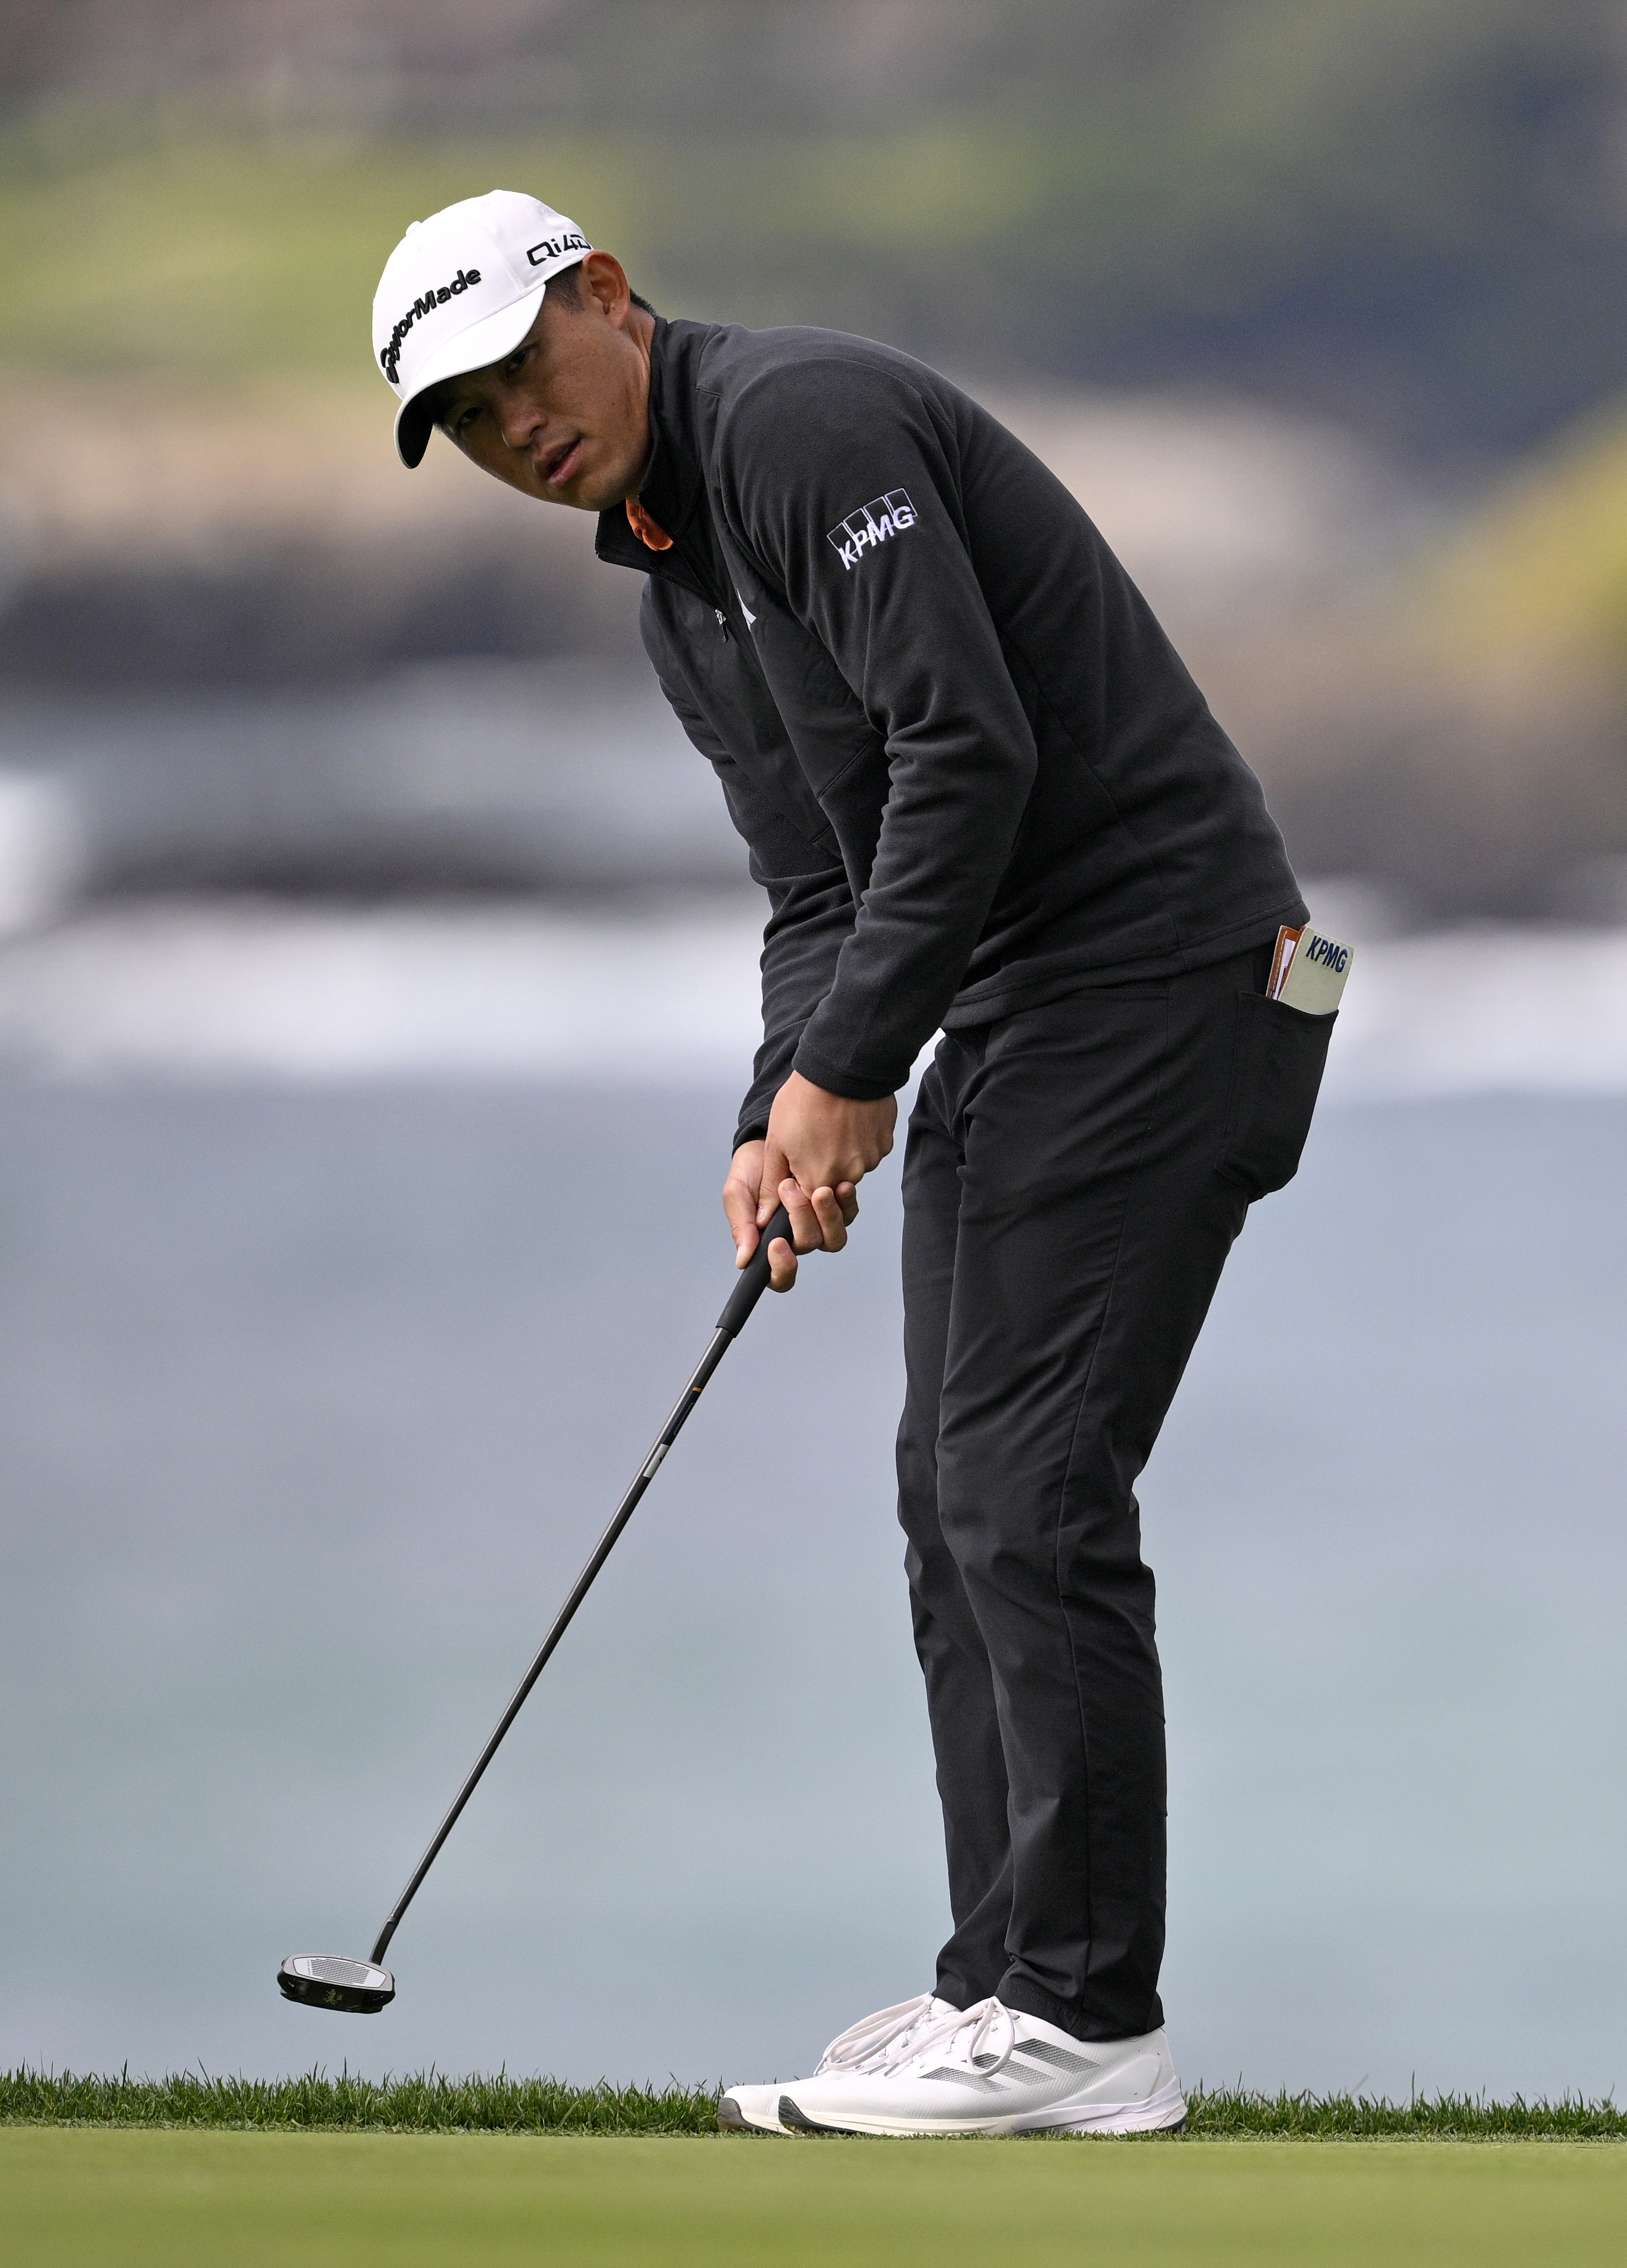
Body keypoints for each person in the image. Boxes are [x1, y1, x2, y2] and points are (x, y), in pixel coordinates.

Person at [370, 191, 1345, 2136]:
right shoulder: (679, 583)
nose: (512, 429)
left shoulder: (798, 429)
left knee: (1029, 1485)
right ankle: (1004, 1984)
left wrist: (851, 1062)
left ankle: (1084, 2023)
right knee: (948, 1493)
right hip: (1019, 1007)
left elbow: (961, 748)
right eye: (465, 422)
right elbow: (817, 876)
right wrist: (777, 1103)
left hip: (1158, 972)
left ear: (607, 300)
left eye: (515, 373)